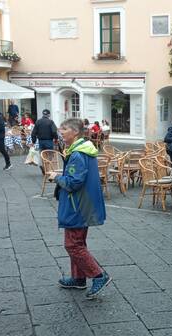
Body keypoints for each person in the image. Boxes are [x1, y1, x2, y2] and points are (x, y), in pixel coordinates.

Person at [47, 118, 111, 299]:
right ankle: (78, 278)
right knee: (78, 242)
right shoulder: (81, 150)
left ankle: (98, 275)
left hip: (79, 206)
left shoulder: (77, 154)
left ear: (74, 132)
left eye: (64, 129)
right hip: (83, 204)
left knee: (73, 245)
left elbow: (74, 182)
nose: (60, 131)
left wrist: (56, 177)